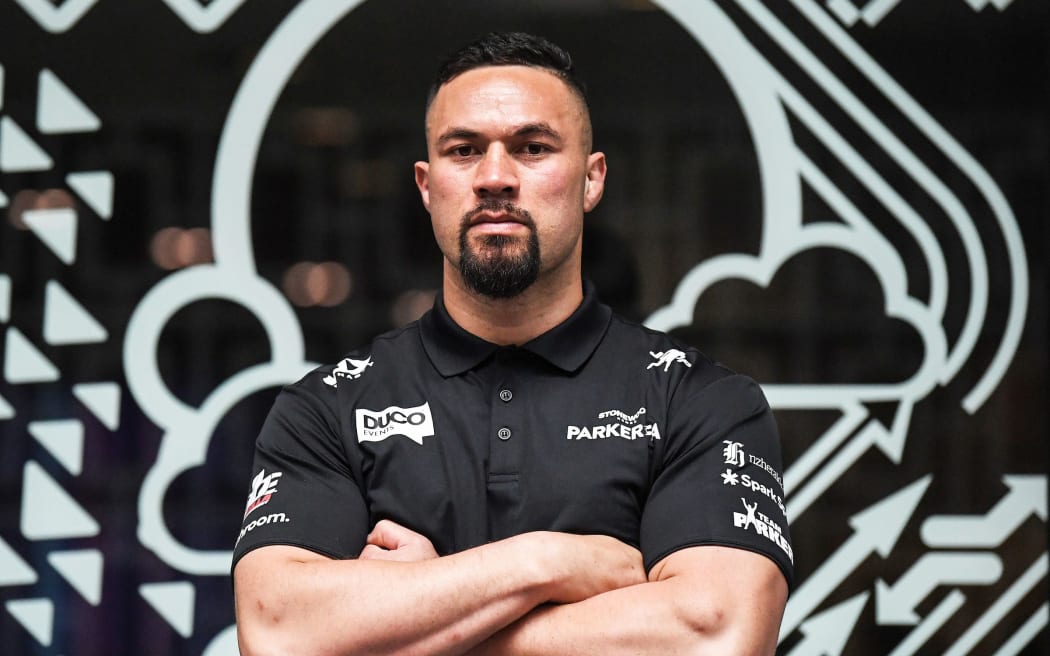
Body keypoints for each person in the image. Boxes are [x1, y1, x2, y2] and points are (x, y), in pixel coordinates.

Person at [233, 31, 792, 655]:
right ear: (426, 185)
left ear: (591, 178)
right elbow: (280, 634)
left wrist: (417, 622)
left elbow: (716, 635)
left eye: (532, 148)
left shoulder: (700, 402)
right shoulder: (327, 408)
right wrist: (550, 563)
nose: (494, 177)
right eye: (464, 150)